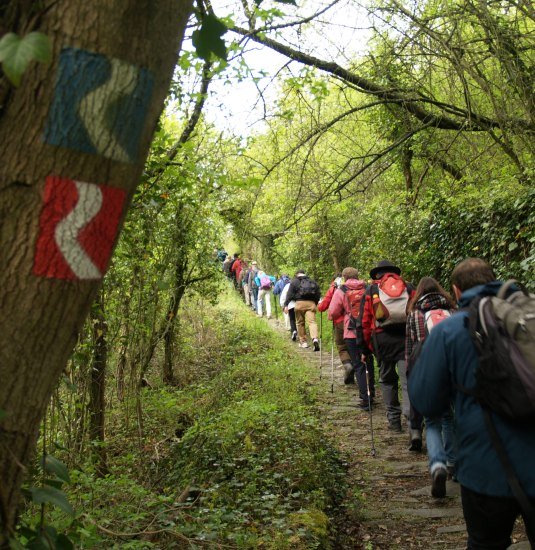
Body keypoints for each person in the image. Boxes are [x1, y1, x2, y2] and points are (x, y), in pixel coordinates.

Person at [408, 258, 535, 548]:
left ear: (455, 290)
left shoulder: (449, 331)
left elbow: (426, 401)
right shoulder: (529, 319)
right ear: (494, 279)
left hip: (485, 467)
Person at [405, 277, 457, 490]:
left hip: (425, 368)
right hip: (450, 367)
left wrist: (411, 374)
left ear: (419, 293)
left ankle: (437, 464)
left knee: (431, 419)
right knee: (448, 417)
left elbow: (409, 347)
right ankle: (453, 462)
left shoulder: (414, 314)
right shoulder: (452, 311)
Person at [360, 260, 414, 432]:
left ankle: (394, 421)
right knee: (408, 381)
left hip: (382, 341)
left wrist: (365, 349)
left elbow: (364, 322)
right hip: (407, 339)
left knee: (387, 380)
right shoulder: (409, 287)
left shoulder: (372, 290)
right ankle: (413, 423)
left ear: (377, 274)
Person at [328, 268, 375, 409]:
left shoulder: (342, 290)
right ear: (357, 275)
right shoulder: (368, 288)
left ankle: (365, 399)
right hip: (368, 331)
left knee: (358, 364)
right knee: (368, 362)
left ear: (344, 277)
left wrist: (337, 315)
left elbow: (333, 311)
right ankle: (371, 394)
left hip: (351, 331)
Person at [319, 273, 353, 378]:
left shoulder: (334, 287)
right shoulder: (359, 286)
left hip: (340, 322)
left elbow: (323, 306)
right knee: (353, 345)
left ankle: (348, 365)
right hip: (357, 321)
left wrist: (320, 306)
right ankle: (356, 372)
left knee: (342, 346)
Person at [284, 270, 321, 350]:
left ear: (297, 274)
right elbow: (318, 294)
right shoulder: (312, 281)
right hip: (311, 304)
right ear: (304, 273)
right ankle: (315, 339)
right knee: (312, 322)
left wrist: (286, 305)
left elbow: (289, 294)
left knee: (300, 323)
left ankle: (303, 342)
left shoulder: (294, 282)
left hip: (299, 304)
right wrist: (315, 303)